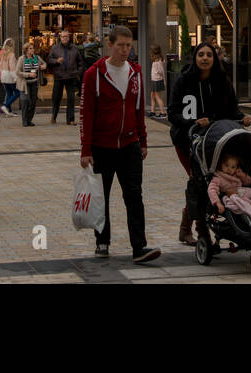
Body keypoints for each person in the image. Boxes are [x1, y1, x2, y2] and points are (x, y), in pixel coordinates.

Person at [79, 25, 161, 264]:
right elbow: (86, 114)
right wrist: (85, 149)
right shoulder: (94, 74)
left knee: (134, 196)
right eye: (121, 45)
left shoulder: (135, 72)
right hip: (101, 147)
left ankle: (139, 247)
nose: (126, 50)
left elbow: (139, 108)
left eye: (129, 45)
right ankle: (102, 241)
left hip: (130, 145)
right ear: (109, 45)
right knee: (100, 196)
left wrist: (143, 141)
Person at [167, 41, 251, 246]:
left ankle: (187, 225)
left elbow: (232, 110)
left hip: (214, 141)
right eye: (201, 54)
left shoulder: (222, 81)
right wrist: (192, 123)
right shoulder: (183, 81)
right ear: (195, 58)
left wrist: (242, 118)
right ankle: (200, 229)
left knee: (207, 181)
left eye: (209, 55)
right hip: (188, 140)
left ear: (215, 59)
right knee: (198, 180)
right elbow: (172, 113)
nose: (205, 58)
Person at [47, 29, 83, 125]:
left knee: (71, 98)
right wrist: (56, 61)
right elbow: (49, 60)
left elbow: (80, 62)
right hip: (59, 76)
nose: (64, 38)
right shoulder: (55, 48)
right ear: (60, 37)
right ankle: (54, 116)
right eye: (63, 37)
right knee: (56, 98)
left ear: (69, 37)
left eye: (66, 36)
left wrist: (77, 72)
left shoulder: (75, 48)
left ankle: (70, 119)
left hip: (71, 77)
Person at [15, 41, 43, 126]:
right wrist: (28, 74)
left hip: (34, 83)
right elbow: (17, 71)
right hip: (24, 84)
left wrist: (42, 66)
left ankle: (29, 120)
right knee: (25, 102)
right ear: (26, 50)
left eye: (33, 48)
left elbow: (44, 64)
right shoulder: (22, 59)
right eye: (30, 48)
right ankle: (24, 120)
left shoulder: (36, 58)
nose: (32, 50)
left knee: (33, 103)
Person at [0, 39, 20, 115]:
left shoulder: (3, 54)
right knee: (17, 93)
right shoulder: (11, 54)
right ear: (12, 46)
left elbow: (0, 65)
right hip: (10, 75)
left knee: (9, 93)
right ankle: (5, 106)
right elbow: (12, 68)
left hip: (3, 75)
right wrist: (16, 78)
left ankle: (9, 111)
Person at [149, 46, 167, 118]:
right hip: (155, 80)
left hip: (158, 80)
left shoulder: (158, 61)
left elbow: (161, 71)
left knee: (157, 97)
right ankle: (152, 112)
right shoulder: (156, 60)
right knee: (152, 95)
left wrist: (163, 80)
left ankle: (163, 113)